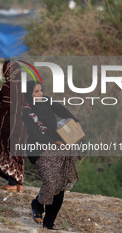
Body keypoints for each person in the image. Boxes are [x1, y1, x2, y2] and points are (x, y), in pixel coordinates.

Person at [22, 80, 81, 230]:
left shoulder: (47, 101)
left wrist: (76, 121)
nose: (40, 94)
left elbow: (62, 111)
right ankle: (37, 204)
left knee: (60, 185)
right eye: (36, 92)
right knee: (50, 181)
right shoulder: (26, 110)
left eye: (41, 90)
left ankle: (49, 221)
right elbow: (35, 134)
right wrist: (53, 141)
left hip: (58, 147)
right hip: (39, 149)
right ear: (29, 93)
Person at [0, 60, 25, 192]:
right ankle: (18, 184)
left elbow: (6, 104)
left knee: (8, 150)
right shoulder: (23, 85)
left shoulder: (8, 85)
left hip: (8, 123)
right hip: (20, 123)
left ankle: (12, 184)